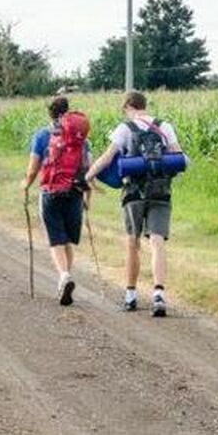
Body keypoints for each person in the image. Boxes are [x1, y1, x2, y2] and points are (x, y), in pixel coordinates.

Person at [85, 90, 183, 317]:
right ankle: (158, 293)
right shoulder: (164, 126)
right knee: (157, 241)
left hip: (133, 194)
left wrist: (88, 176)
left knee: (133, 242)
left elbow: (107, 158)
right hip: (161, 191)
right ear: (144, 105)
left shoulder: (125, 129)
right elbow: (178, 157)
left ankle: (131, 295)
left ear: (129, 106)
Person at [21, 96, 91, 306]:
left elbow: (33, 168)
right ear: (67, 112)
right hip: (75, 191)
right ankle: (65, 277)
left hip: (50, 192)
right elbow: (87, 169)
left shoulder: (42, 135)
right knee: (67, 239)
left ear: (49, 112)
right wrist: (88, 196)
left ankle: (64, 277)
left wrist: (26, 184)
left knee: (55, 239)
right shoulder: (81, 137)